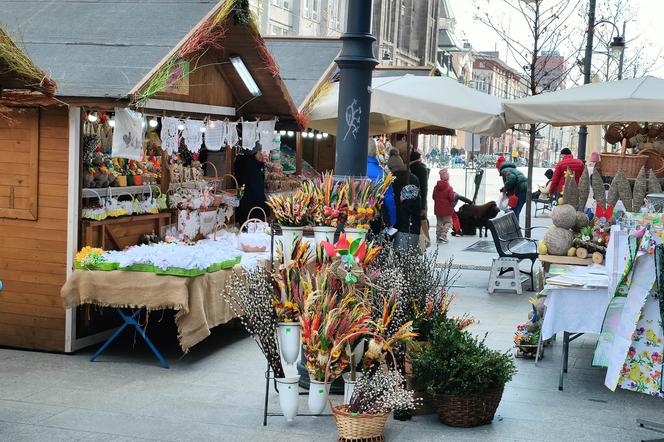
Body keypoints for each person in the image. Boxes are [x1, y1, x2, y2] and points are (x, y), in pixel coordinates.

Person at [387, 154, 421, 250]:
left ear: (391, 168)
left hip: (396, 225)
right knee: (408, 258)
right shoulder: (414, 178)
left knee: (397, 258)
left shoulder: (391, 181)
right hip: (412, 225)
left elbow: (390, 203)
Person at [234, 142, 267, 225]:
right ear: (254, 153)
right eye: (259, 152)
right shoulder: (253, 168)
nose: (261, 155)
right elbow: (257, 190)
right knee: (253, 234)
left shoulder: (242, 164)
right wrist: (265, 207)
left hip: (243, 207)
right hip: (253, 209)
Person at [366, 138, 396, 228]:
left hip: (354, 218)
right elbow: (389, 199)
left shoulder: (353, 171)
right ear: (375, 152)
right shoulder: (382, 174)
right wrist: (392, 220)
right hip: (376, 218)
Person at [496, 156, 528, 220]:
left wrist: (505, 189)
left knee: (515, 211)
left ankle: (516, 228)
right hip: (524, 189)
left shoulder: (504, 170)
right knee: (515, 210)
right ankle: (515, 227)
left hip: (520, 191)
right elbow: (513, 179)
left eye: (497, 168)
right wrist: (505, 188)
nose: (497, 170)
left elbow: (511, 179)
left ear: (499, 167)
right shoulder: (511, 169)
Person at [432, 169, 455, 243]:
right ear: (447, 178)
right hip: (446, 209)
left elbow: (433, 197)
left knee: (439, 223)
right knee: (449, 222)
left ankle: (438, 237)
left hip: (437, 209)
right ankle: (443, 235)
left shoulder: (436, 187)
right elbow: (452, 198)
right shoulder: (449, 188)